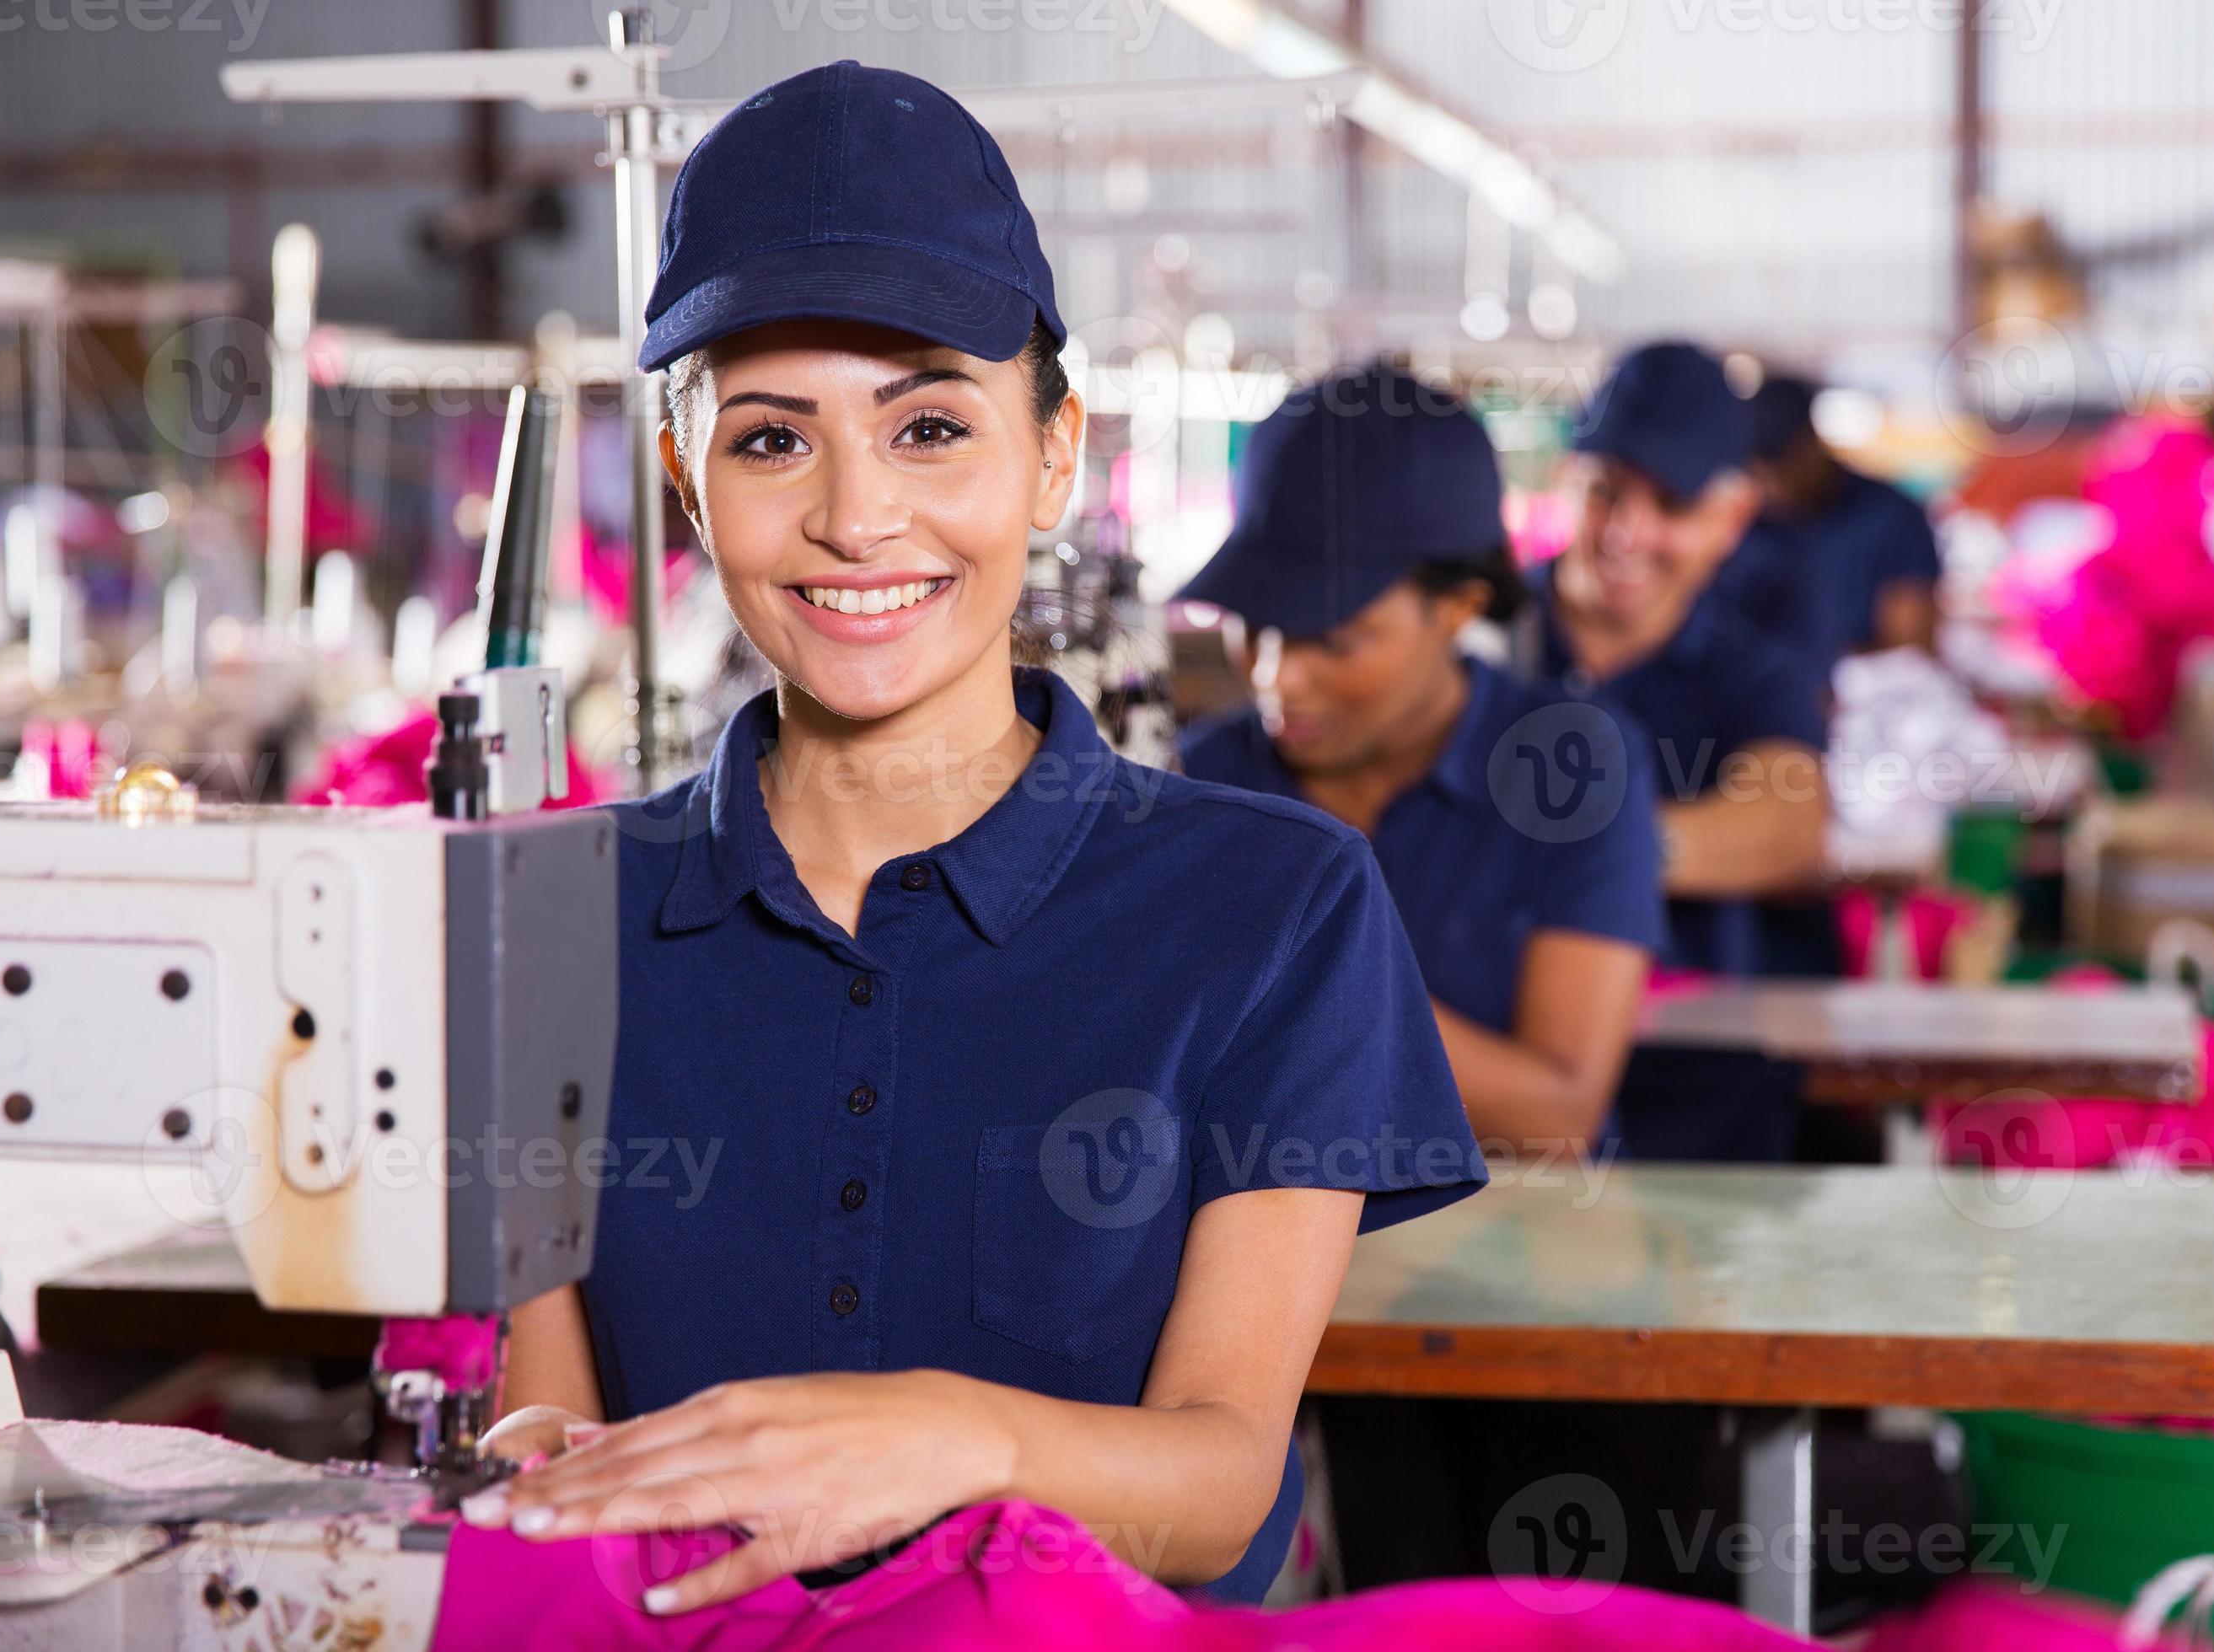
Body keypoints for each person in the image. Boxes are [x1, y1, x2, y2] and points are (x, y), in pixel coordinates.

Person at [470, 62, 1485, 1613]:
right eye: (769, 441)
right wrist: (524, 1463)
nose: (858, 519)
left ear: (1055, 456)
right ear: (684, 475)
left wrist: (948, 1442)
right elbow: (552, 1437)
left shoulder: (1272, 908)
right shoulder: (550, 913)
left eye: (931, 426)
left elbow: (1219, 1490)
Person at [1176, 363, 1663, 1154]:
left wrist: (1286, 985)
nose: (1275, 676)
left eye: (1333, 640)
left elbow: (1558, 1115)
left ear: (1459, 608)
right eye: (1250, 622)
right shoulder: (1200, 780)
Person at [1523, 340, 1830, 1160]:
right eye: (1606, 493)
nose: (1629, 532)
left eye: (1673, 504)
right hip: (1486, 1064)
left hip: (1687, 1081)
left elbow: (1789, 822)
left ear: (1731, 520)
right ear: (1567, 482)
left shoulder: (1751, 671)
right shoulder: (1473, 633)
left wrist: (1594, 857)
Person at [1749, 372, 1943, 657]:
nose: (1778, 487)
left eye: (1786, 469)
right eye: (1766, 476)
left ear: (1812, 441)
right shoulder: (1748, 526)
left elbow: (1911, 648)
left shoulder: (1893, 517)